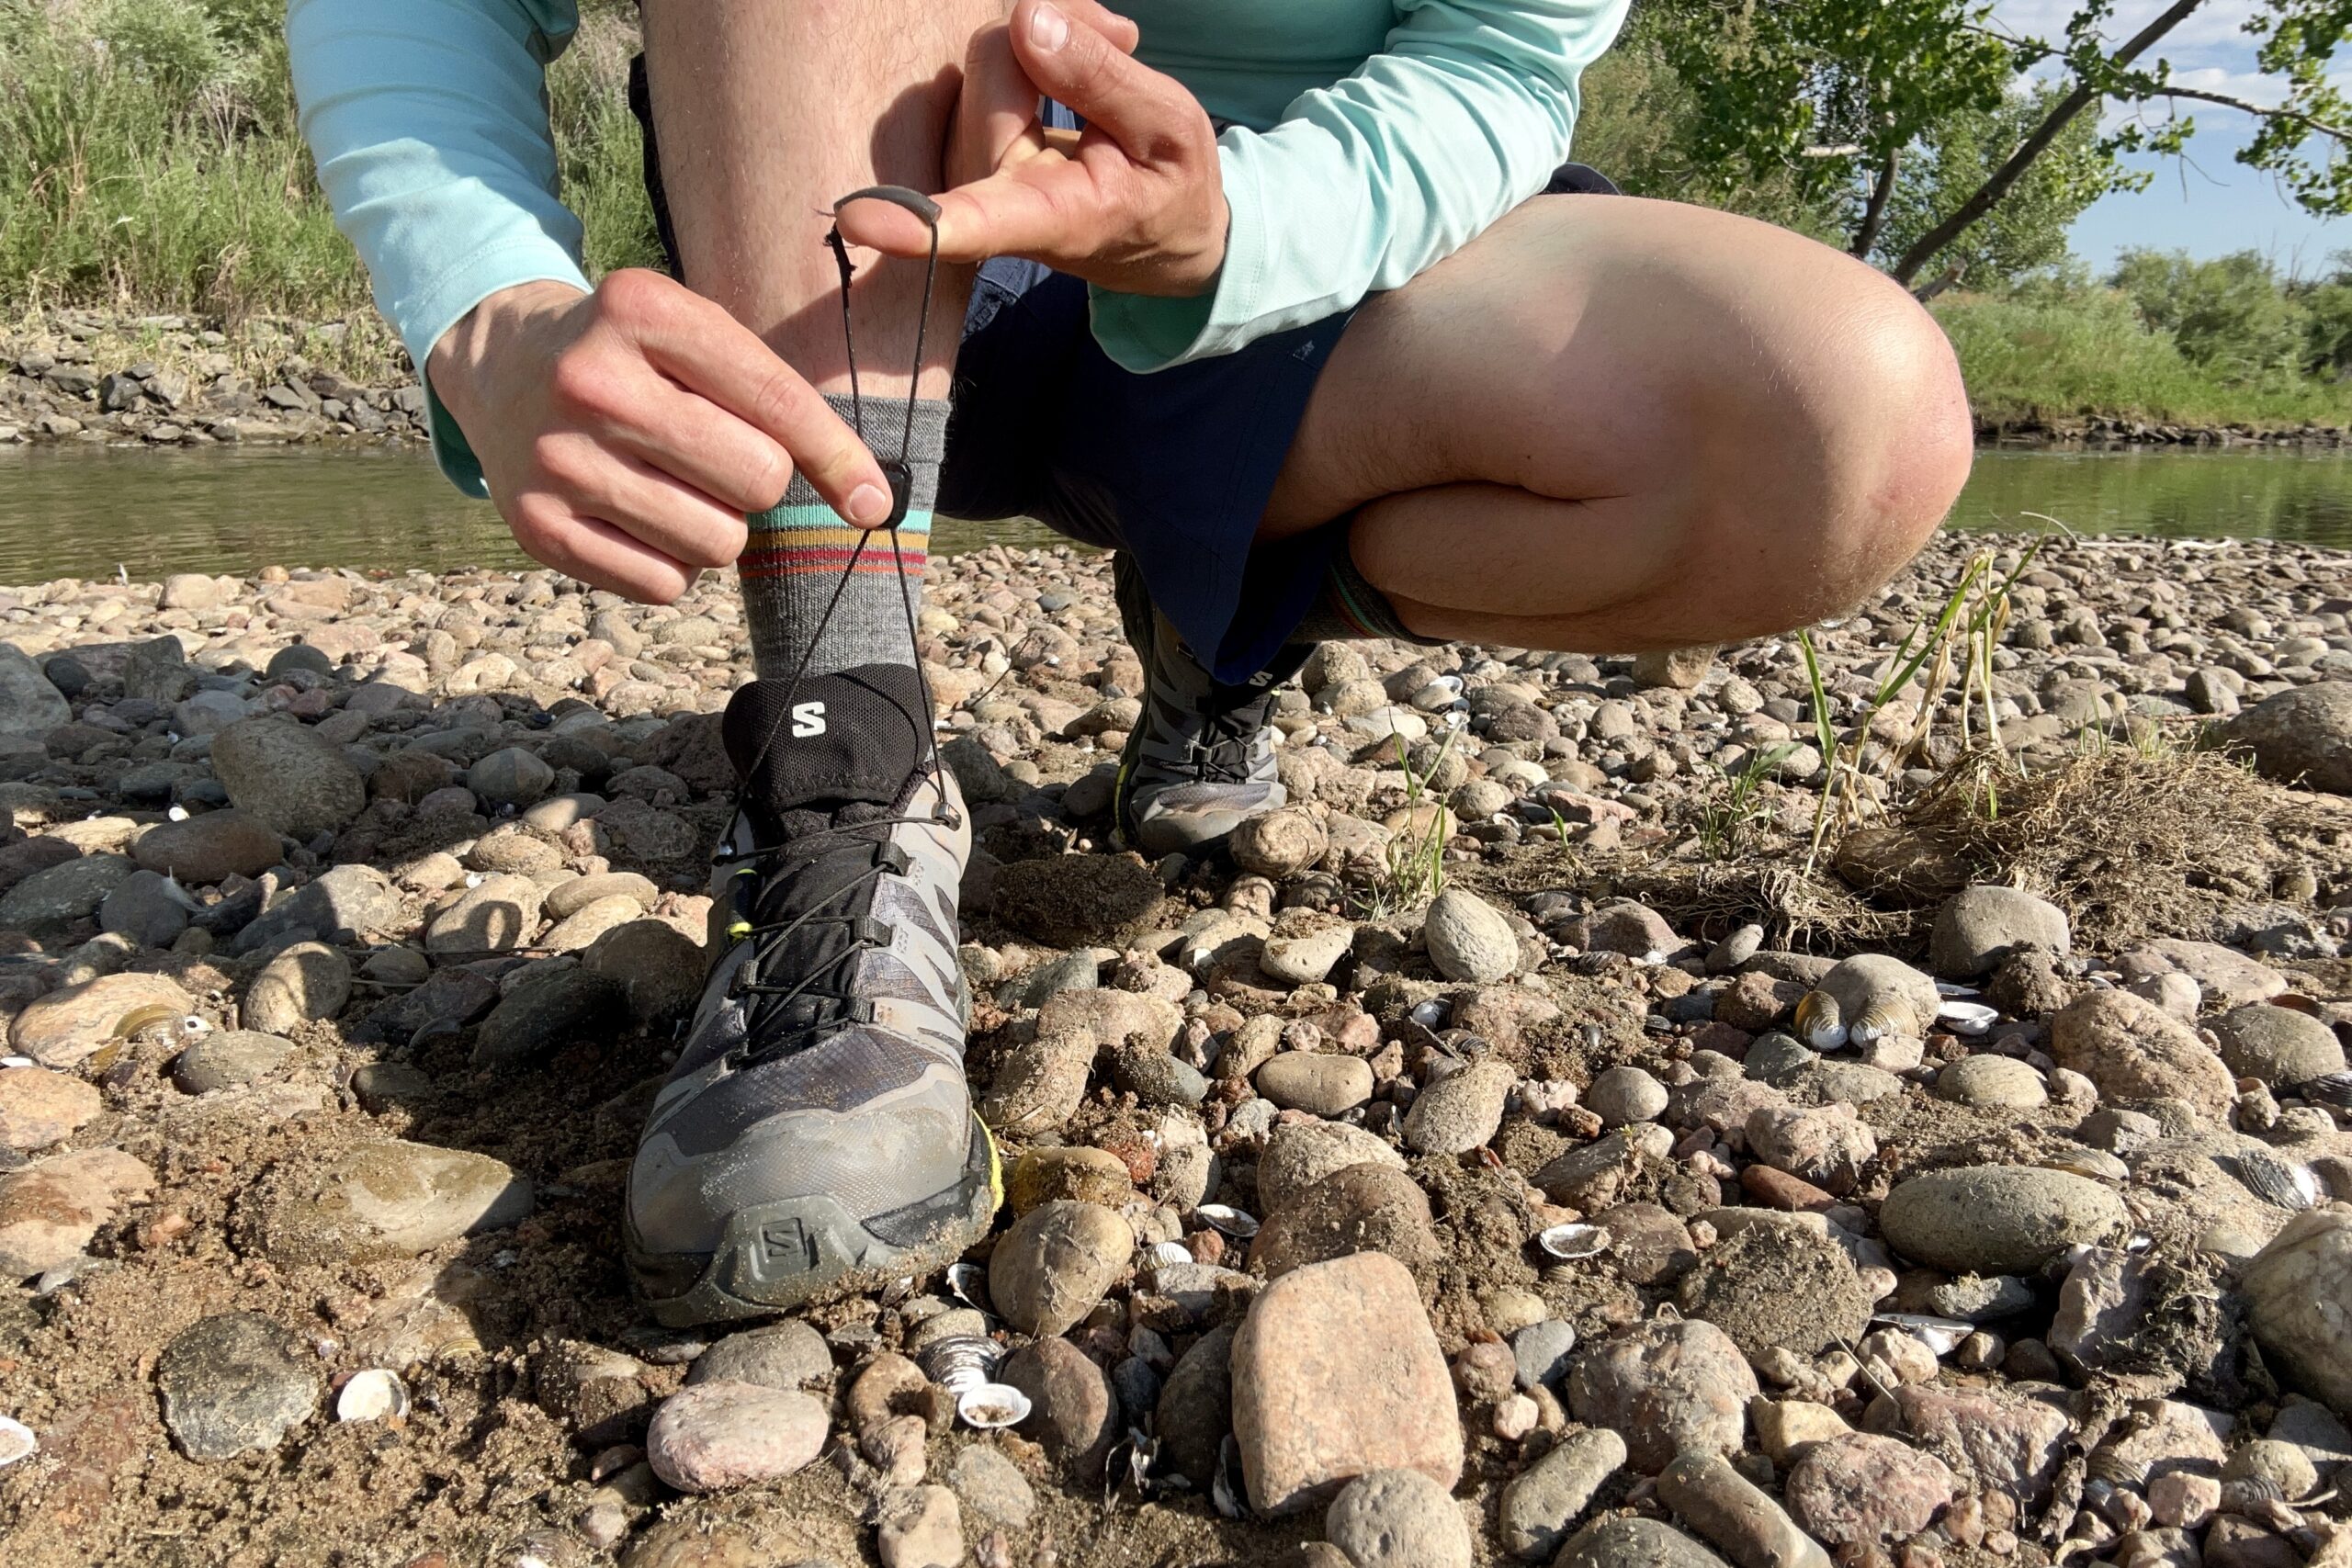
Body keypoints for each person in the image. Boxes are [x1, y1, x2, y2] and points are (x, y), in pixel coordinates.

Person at [288, 0, 1973, 1326]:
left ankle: (1224, 603)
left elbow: (1504, 55)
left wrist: (1231, 230)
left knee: (1844, 427)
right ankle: (841, 765)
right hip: (837, 236)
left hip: (1292, 272)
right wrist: (489, 305)